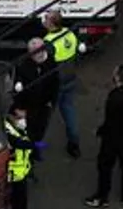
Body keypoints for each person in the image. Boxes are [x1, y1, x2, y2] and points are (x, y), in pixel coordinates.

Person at [86, 63, 123, 207]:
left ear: (117, 77)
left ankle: (102, 197)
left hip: (113, 138)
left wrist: (100, 131)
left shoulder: (114, 97)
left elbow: (110, 120)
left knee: (105, 166)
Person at [43, 10, 84, 157]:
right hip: (70, 79)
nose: (44, 20)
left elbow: (45, 65)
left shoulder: (49, 42)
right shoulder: (69, 34)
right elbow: (78, 51)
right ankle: (74, 144)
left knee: (45, 114)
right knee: (69, 111)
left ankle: (37, 145)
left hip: (56, 84)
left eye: (46, 19)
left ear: (52, 23)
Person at [13, 37, 56, 152]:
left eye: (39, 51)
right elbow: (17, 88)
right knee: (28, 130)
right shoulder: (22, 65)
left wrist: (53, 103)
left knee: (41, 128)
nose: (37, 55)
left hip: (44, 105)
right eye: (33, 53)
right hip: (28, 106)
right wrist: (18, 108)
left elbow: (55, 84)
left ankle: (37, 148)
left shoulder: (51, 63)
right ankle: (30, 150)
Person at [5, 103, 38, 209]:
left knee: (21, 199)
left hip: (21, 171)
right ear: (11, 116)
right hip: (14, 174)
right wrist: (35, 145)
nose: (23, 119)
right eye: (20, 117)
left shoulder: (18, 127)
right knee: (17, 200)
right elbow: (19, 143)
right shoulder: (8, 131)